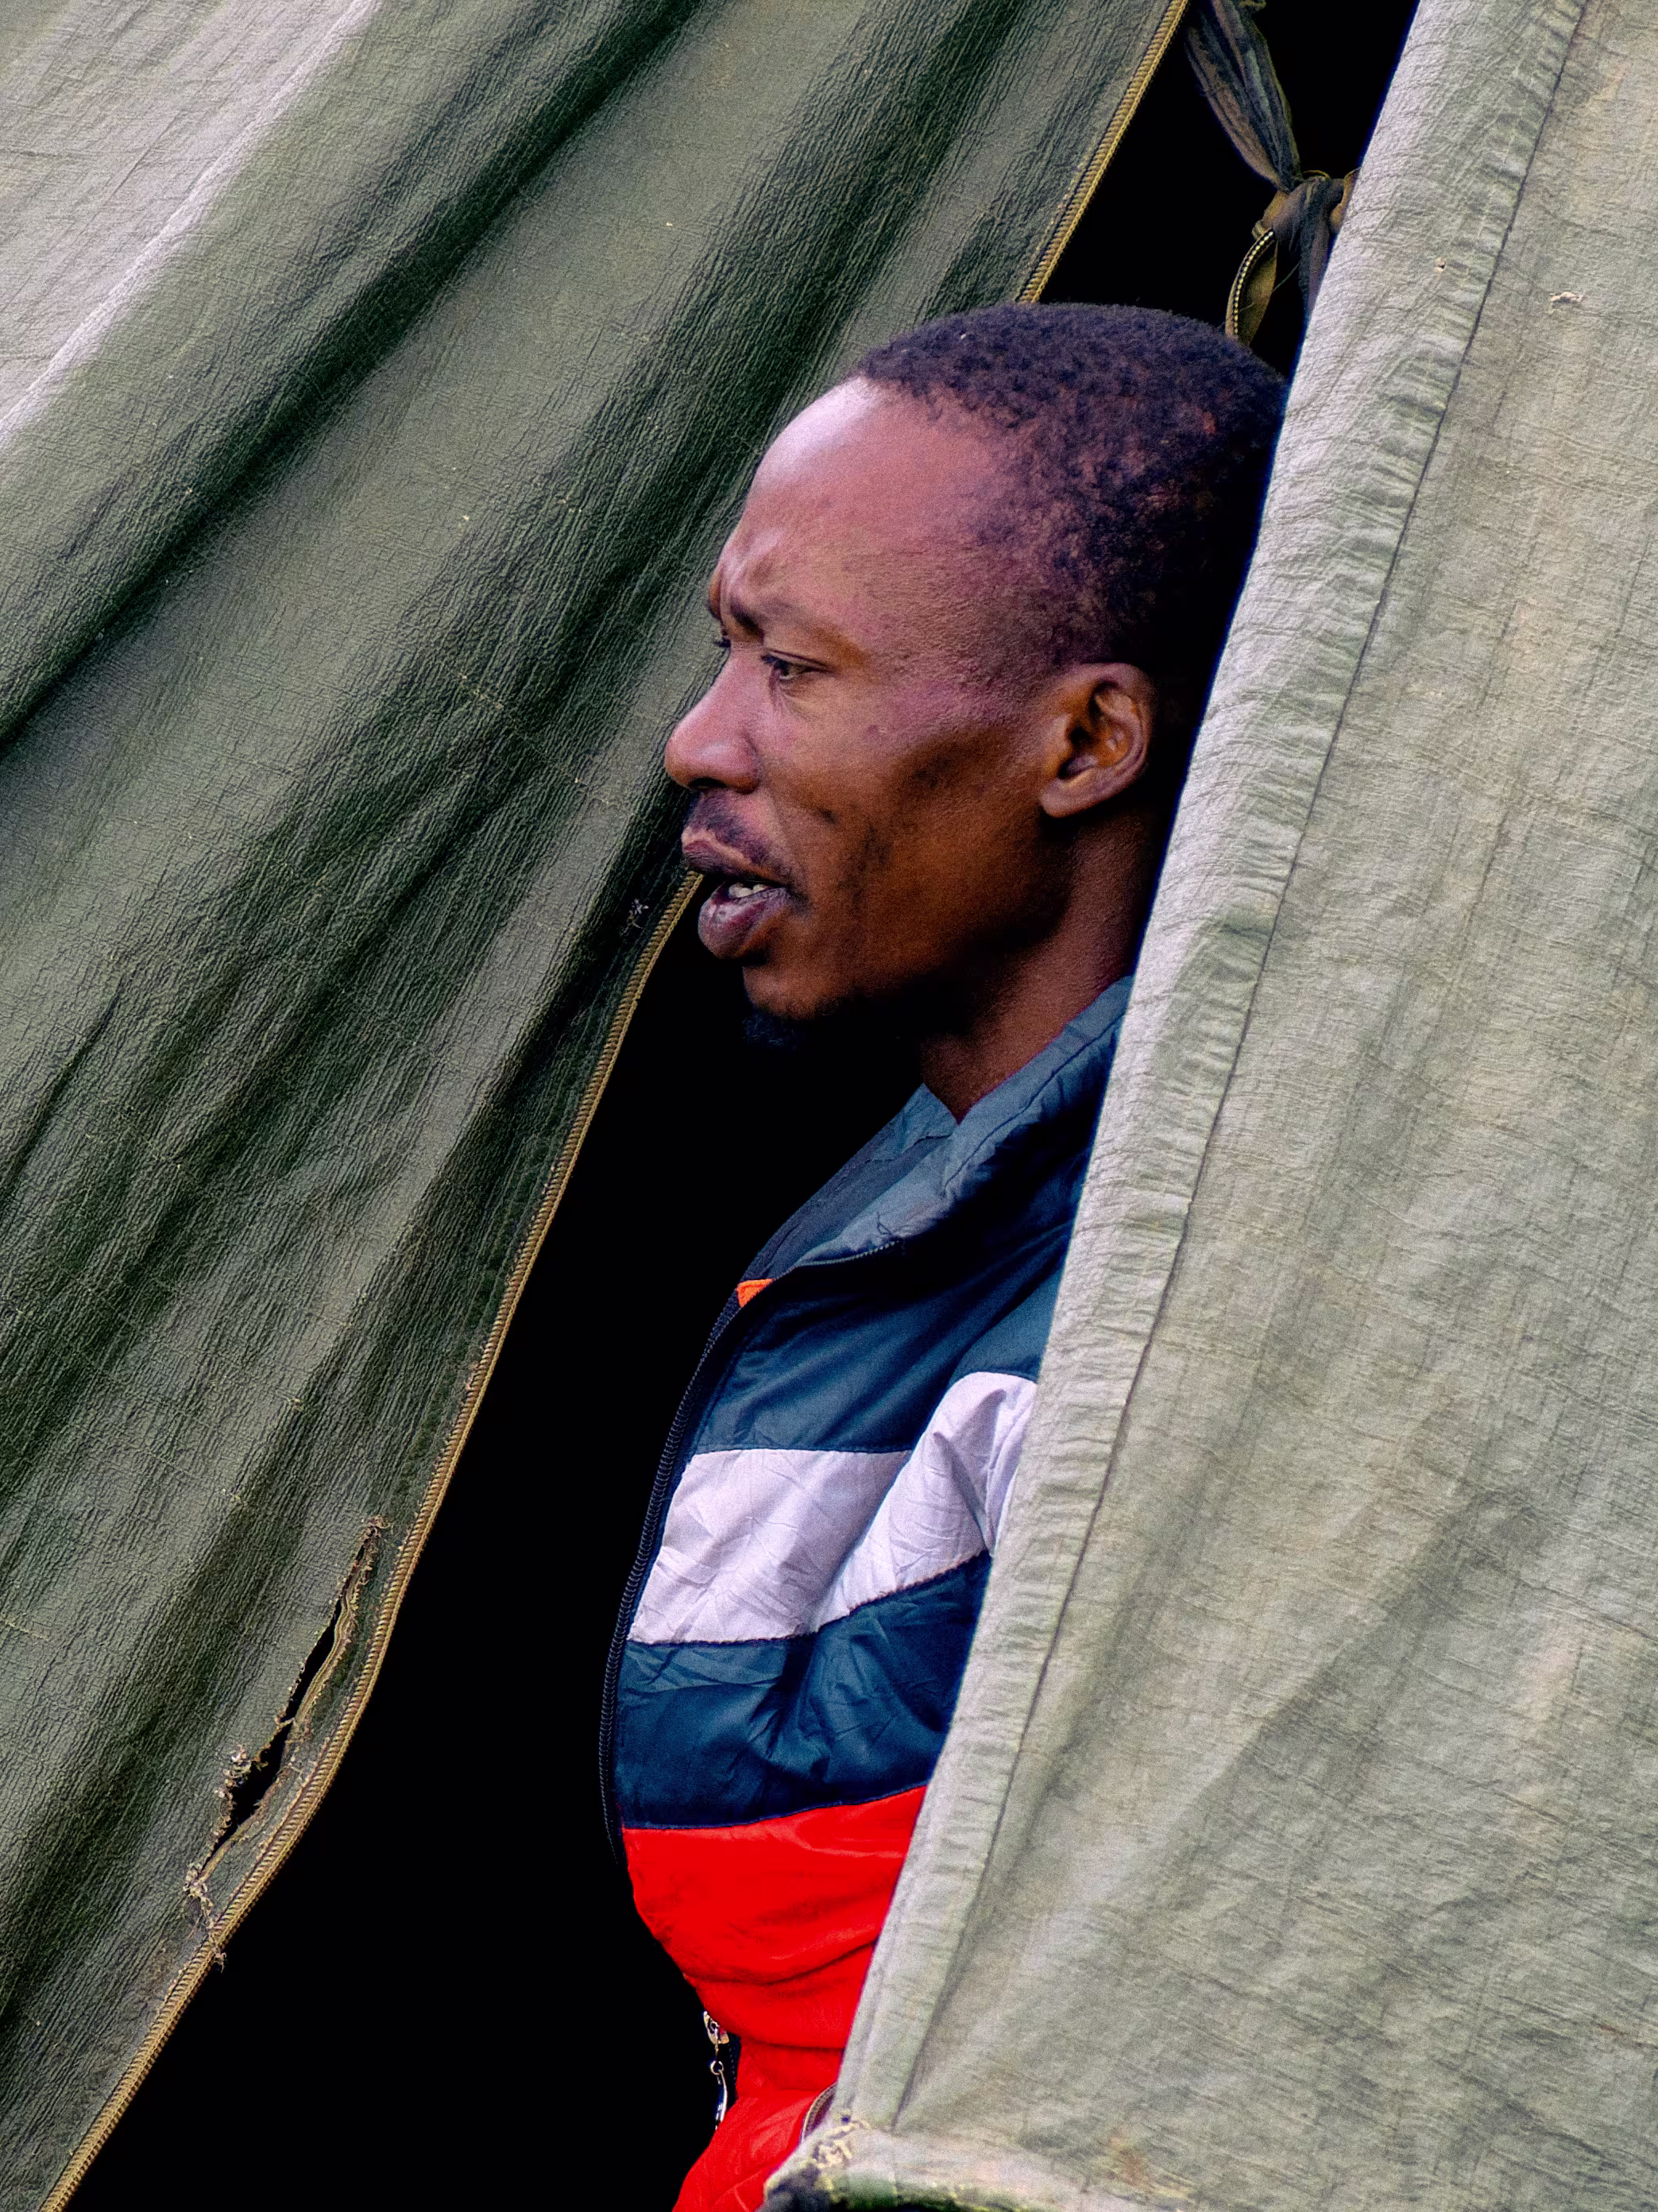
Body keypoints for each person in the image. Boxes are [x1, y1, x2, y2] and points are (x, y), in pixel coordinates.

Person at [608, 304, 1285, 2212]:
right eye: (721, 651)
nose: (698, 742)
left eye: (789, 669)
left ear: (1083, 743)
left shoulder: (1175, 1308)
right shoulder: (923, 1209)